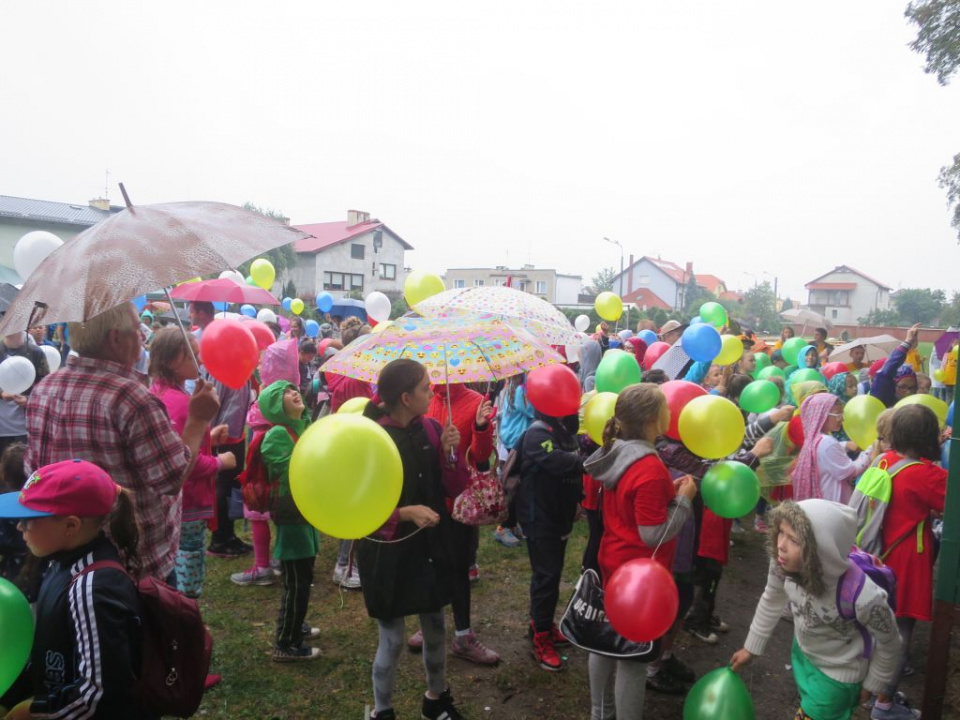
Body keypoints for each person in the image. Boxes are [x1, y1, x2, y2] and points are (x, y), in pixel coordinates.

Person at [26, 302, 220, 582]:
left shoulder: (43, 390)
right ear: (116, 338)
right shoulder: (132, 398)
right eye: (136, 331)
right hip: (134, 563)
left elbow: (35, 475)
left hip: (67, 556)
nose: (142, 337)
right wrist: (198, 421)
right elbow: (171, 478)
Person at [357, 359, 469, 720]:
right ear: (405, 397)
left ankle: (435, 699)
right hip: (386, 552)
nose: (432, 392)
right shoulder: (370, 439)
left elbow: (453, 487)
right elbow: (358, 508)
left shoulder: (432, 429)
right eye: (425, 388)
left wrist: (452, 455)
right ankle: (382, 710)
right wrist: (405, 513)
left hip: (428, 547)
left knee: (435, 625)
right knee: (391, 638)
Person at [0, 460, 152, 718]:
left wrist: (33, 713)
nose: (19, 527)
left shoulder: (92, 589)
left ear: (70, 526)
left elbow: (100, 694)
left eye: (28, 520)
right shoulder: (60, 563)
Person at [584, 384, 697, 719]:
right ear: (651, 419)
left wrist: (667, 495)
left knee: (603, 642)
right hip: (639, 576)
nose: (671, 412)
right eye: (666, 407)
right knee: (632, 659)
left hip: (613, 562)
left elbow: (636, 507)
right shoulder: (647, 466)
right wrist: (683, 501)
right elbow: (652, 535)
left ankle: (599, 713)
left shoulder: (621, 451)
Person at [730, 500, 901, 720]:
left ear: (822, 549)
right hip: (803, 654)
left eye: (793, 539)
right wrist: (751, 648)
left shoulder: (862, 595)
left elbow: (891, 641)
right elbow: (772, 598)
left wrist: (873, 682)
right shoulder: (783, 563)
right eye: (780, 532)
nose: (780, 545)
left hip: (839, 677)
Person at [409, 382, 498, 665]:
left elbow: (481, 456)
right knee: (430, 564)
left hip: (458, 502)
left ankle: (463, 635)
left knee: (459, 568)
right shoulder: (422, 400)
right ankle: (430, 623)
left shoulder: (473, 401)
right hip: (427, 500)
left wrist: (481, 427)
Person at [148, 327, 235, 598]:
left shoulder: (160, 393)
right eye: (194, 356)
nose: (200, 363)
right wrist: (220, 461)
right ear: (174, 360)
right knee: (189, 556)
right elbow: (185, 462)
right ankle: (186, 611)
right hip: (189, 499)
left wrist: (210, 437)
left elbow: (181, 440)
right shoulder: (177, 403)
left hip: (180, 500)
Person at [873, 404, 946, 715]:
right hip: (907, 563)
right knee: (901, 634)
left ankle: (873, 689)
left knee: (878, 626)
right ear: (929, 436)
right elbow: (948, 501)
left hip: (877, 556)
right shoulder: (928, 474)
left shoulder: (882, 460)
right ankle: (884, 704)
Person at [256, 380, 321, 661]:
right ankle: (286, 643)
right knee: (297, 579)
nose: (294, 393)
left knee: (303, 572)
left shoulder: (302, 426)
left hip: (305, 509)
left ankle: (296, 623)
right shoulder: (277, 435)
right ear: (274, 407)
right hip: (292, 513)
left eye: (294, 390)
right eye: (285, 394)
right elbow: (289, 469)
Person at [518, 401, 584, 672]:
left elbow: (574, 462)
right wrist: (595, 460)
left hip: (560, 514)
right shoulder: (536, 433)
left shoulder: (563, 428)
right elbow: (561, 462)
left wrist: (578, 498)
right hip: (539, 517)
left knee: (552, 574)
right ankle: (541, 637)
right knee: (546, 576)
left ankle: (539, 624)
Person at [189, 301, 253, 558]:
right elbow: (215, 405)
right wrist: (214, 435)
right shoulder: (222, 366)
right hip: (224, 435)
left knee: (231, 485)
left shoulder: (235, 364)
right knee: (224, 487)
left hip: (233, 433)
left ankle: (228, 534)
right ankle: (220, 539)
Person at [791, 393, 872, 504]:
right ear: (822, 415)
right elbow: (851, 471)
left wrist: (846, 445)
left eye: (842, 414)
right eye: (838, 415)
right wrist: (870, 451)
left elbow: (825, 451)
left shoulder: (814, 438)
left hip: (823, 501)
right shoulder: (827, 443)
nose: (842, 419)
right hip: (834, 503)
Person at [493, 374, 534, 548]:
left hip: (514, 438)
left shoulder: (513, 387)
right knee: (517, 485)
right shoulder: (519, 390)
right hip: (517, 440)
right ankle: (504, 527)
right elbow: (530, 411)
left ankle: (514, 522)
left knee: (521, 483)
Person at [0, 332, 49, 457]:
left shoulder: (35, 353)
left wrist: (29, 399)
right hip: (2, 426)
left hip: (27, 426)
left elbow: (46, 387)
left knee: (25, 468)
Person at [870, 324, 920, 408]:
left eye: (912, 388)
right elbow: (885, 373)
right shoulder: (883, 399)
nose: (908, 392)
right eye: (902, 387)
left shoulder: (914, 407)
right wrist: (907, 343)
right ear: (893, 385)